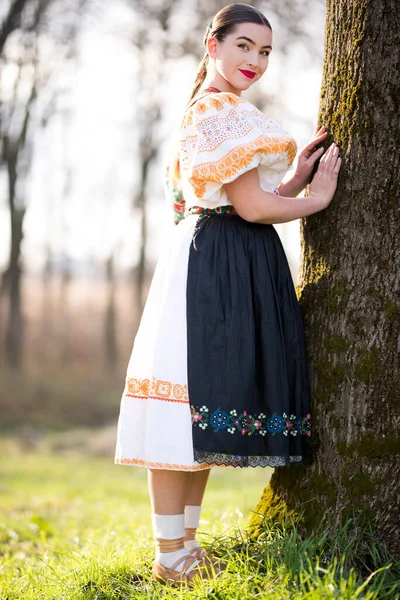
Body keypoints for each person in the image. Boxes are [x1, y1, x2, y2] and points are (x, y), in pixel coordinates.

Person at [114, 3, 341, 585]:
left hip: (225, 257)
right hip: (213, 266)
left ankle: (185, 547)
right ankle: (170, 557)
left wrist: (294, 179)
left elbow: (248, 194)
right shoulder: (217, 111)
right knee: (182, 410)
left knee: (202, 407)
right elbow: (251, 207)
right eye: (244, 46)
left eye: (265, 52)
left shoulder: (229, 112)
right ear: (213, 47)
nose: (255, 61)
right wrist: (316, 200)